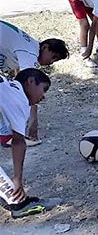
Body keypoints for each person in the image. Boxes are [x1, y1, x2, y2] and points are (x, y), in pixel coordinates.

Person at [0, 20, 68, 146]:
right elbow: (30, 89)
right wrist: (33, 122)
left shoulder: (30, 45)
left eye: (55, 60)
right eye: (53, 57)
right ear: (45, 47)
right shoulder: (30, 53)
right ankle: (5, 135)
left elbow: (20, 79)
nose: (51, 62)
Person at [0, 68, 52, 218]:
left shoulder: (8, 86)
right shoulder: (18, 98)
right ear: (30, 81)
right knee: (14, 196)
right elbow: (18, 142)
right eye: (44, 89)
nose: (44, 96)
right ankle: (17, 203)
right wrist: (17, 179)